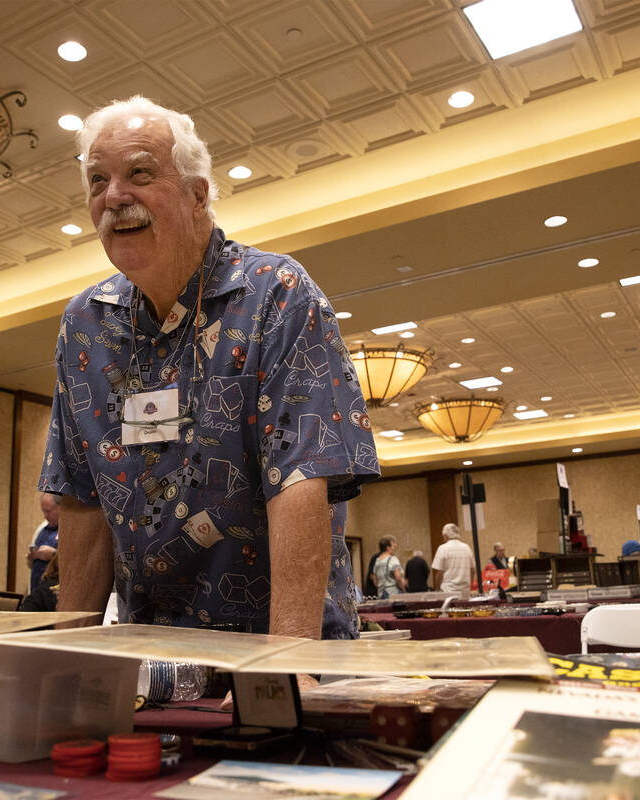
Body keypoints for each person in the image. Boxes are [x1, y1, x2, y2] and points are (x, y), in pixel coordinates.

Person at [39, 96, 379, 640]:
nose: (114, 196)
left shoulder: (277, 295)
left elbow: (301, 482)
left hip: (281, 646)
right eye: (97, 180)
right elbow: (82, 503)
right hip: (150, 658)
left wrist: (285, 670)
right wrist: (67, 668)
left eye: (139, 173)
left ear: (198, 195)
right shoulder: (86, 324)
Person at [27, 493, 60, 592]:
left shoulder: (69, 530)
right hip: (36, 588)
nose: (45, 516)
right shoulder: (41, 529)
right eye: (43, 511)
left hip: (54, 592)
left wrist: (54, 555)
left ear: (60, 507)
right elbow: (30, 565)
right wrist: (31, 558)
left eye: (48, 511)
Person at [432, 523, 475, 593]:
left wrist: (437, 589)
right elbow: (472, 571)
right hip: (464, 591)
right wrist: (469, 586)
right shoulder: (467, 548)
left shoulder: (442, 548)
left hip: (448, 590)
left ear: (445, 535)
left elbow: (439, 572)